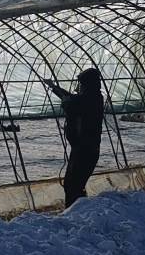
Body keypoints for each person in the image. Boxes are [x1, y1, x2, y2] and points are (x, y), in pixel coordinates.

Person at [44, 68, 105, 208]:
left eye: (82, 84)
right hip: (82, 148)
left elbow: (72, 105)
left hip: (85, 149)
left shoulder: (91, 99)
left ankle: (76, 212)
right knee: (73, 184)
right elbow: (71, 99)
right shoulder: (92, 96)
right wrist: (53, 87)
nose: (80, 87)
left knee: (73, 185)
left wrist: (66, 104)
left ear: (87, 84)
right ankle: (78, 212)